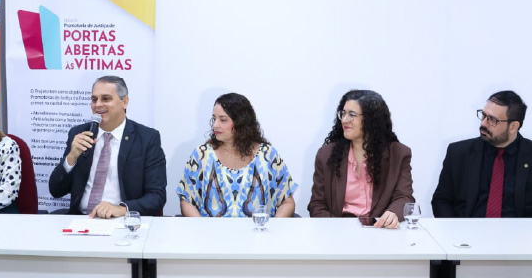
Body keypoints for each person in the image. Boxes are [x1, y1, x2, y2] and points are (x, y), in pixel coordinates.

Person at [49, 76, 167, 218]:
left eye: (106, 99)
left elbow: (157, 196)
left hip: (123, 220)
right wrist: (71, 157)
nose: (98, 104)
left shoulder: (147, 138)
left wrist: (122, 209)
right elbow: (55, 191)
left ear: (125, 102)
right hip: (82, 218)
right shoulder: (80, 134)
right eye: (94, 99)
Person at [177, 93, 298, 217]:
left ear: (241, 122)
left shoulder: (268, 155)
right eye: (214, 119)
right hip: (210, 229)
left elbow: (287, 202)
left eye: (223, 119)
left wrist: (273, 226)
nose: (215, 125)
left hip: (258, 229)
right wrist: (201, 226)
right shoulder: (201, 155)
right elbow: (186, 201)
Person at [308, 90, 414, 228]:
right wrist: (336, 228)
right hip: (338, 231)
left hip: (380, 230)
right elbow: (317, 204)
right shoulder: (326, 155)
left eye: (352, 115)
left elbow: (404, 197)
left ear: (371, 119)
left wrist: (392, 214)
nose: (344, 120)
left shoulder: (398, 154)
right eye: (343, 113)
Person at [432, 91, 532, 217]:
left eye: (493, 120)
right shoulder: (459, 153)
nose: (483, 123)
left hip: (518, 229)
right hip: (467, 228)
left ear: (513, 126)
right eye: (483, 115)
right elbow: (441, 201)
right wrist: (455, 228)